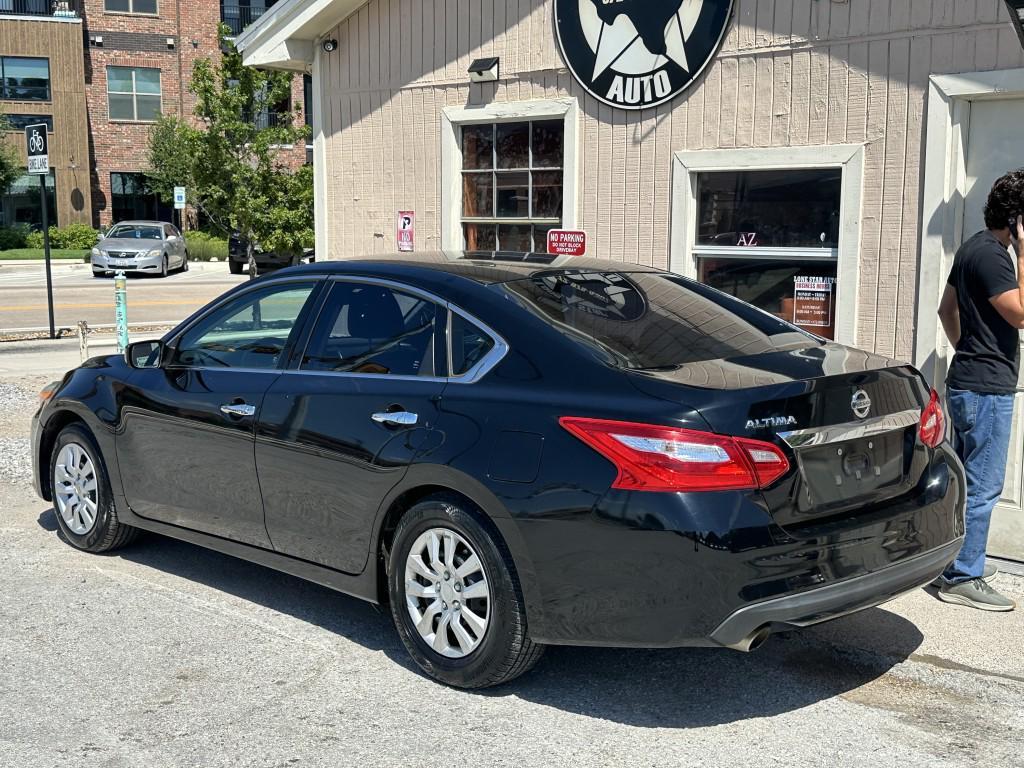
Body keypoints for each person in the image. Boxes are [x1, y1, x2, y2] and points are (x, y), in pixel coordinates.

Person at [935, 170, 1024, 611]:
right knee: (984, 485)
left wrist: (963, 348)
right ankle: (963, 576)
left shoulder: (973, 248)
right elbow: (1022, 314)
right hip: (986, 389)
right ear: (1018, 219)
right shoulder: (995, 257)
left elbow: (945, 309)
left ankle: (957, 561)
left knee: (966, 482)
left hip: (968, 381)